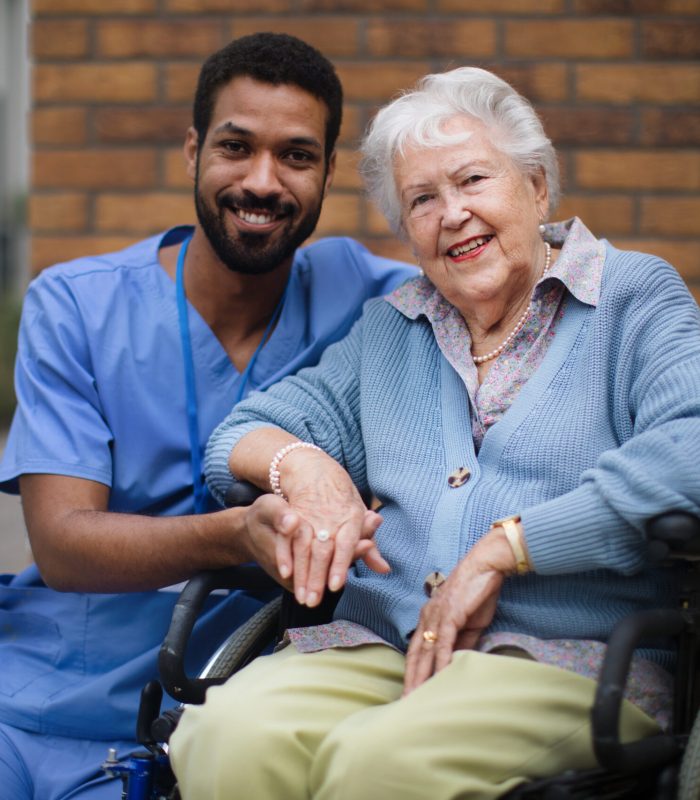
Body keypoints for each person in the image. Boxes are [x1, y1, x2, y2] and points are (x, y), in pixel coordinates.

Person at [169, 65, 700, 799]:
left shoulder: (633, 298)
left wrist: (507, 548)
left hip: (572, 661)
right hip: (386, 645)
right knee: (222, 736)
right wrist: (310, 469)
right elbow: (241, 436)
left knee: (376, 766)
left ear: (537, 186)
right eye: (423, 199)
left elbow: (689, 453)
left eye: (473, 180)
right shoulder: (396, 326)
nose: (451, 214)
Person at [0, 32, 415, 800]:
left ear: (328, 173)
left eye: (296, 156)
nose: (262, 181)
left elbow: (508, 277)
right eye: (235, 147)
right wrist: (236, 534)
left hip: (223, 711)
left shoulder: (377, 301)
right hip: (38, 695)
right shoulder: (78, 305)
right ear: (193, 152)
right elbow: (62, 545)